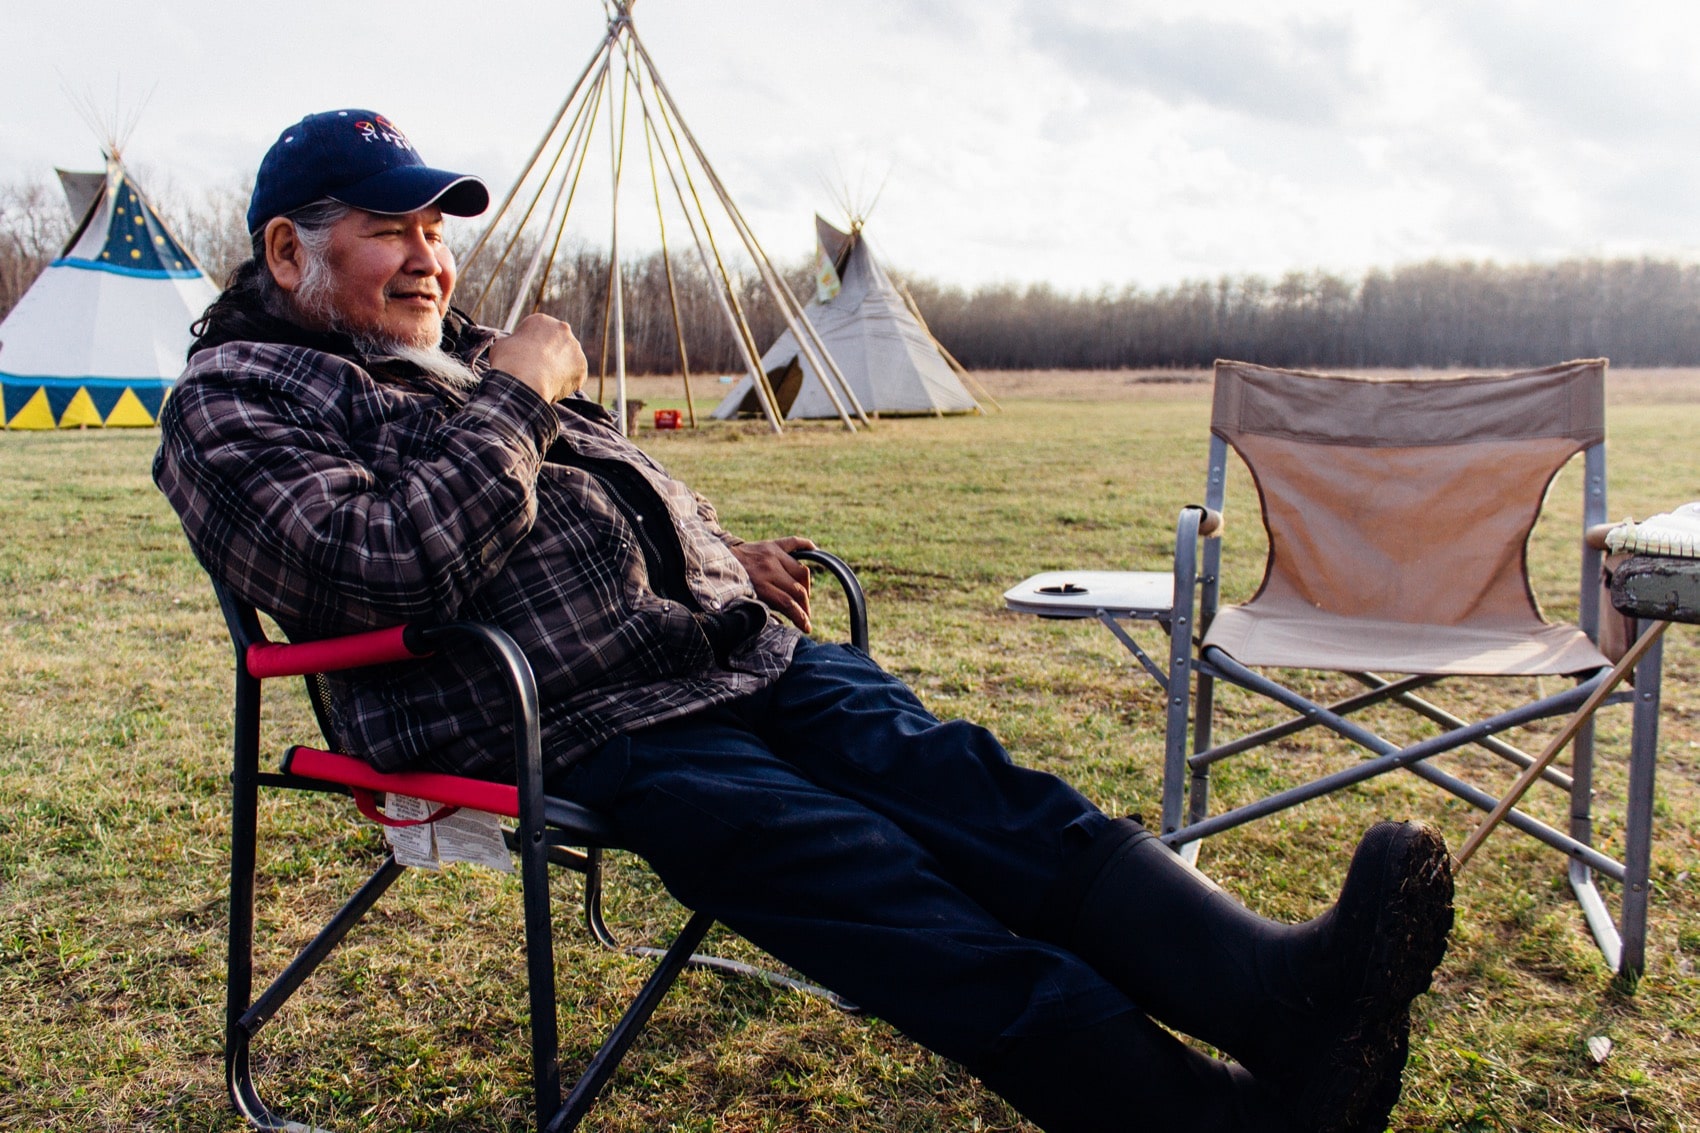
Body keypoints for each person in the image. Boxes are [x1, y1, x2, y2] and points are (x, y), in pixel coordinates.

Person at [155, 109, 1455, 1133]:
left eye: (438, 226)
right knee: (880, 888)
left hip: (707, 652)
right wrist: (519, 394)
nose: (431, 254)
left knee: (987, 795)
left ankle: (1280, 1001)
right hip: (550, 710)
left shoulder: (451, 354)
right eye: (392, 228)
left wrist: (719, 551)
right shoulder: (233, 405)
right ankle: (1201, 1123)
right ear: (288, 251)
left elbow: (614, 484)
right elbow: (377, 566)